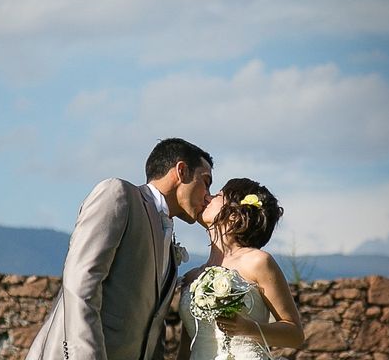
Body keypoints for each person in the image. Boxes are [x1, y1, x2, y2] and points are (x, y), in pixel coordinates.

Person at [26, 138, 214, 360]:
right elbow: (81, 280)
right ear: (181, 171)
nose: (208, 196)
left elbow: (153, 325)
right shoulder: (119, 194)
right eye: (206, 182)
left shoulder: (168, 238)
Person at [177, 178, 304, 360]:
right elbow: (186, 348)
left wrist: (250, 329)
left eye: (217, 195)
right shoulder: (191, 278)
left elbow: (295, 334)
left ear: (235, 214)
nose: (206, 197)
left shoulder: (258, 262)